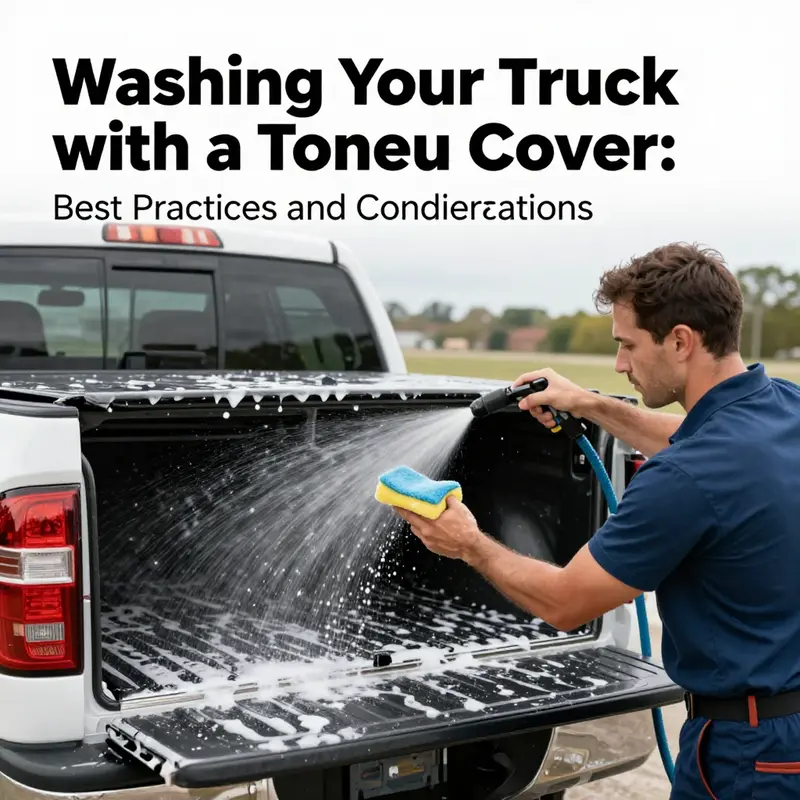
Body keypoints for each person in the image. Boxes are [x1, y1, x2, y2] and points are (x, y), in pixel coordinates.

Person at [392, 242, 800, 799]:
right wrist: (591, 404)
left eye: (628, 345)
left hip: (749, 754)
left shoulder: (685, 479)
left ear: (681, 341)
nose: (620, 364)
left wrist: (468, 543)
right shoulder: (783, 406)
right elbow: (695, 440)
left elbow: (566, 602)